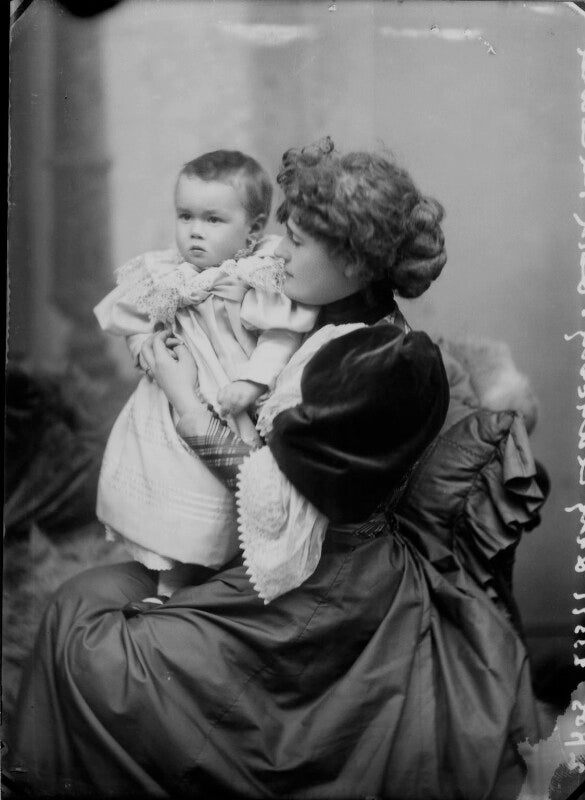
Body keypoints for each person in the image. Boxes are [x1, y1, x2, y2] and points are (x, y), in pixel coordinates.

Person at [7, 138, 546, 800]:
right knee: (74, 604)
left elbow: (266, 492)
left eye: (299, 242)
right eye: (282, 233)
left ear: (355, 258)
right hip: (281, 559)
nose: (278, 252)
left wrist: (182, 398)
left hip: (333, 592)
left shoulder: (384, 364)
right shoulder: (315, 319)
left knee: (103, 654)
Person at [93, 150, 319, 595]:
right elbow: (133, 323)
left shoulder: (262, 273)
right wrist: (148, 351)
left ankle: (228, 573)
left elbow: (283, 336)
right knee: (168, 483)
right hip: (169, 399)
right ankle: (169, 581)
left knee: (229, 493)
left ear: (253, 230)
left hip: (231, 400)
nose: (195, 231)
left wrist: (252, 381)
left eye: (214, 220)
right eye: (185, 216)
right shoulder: (164, 273)